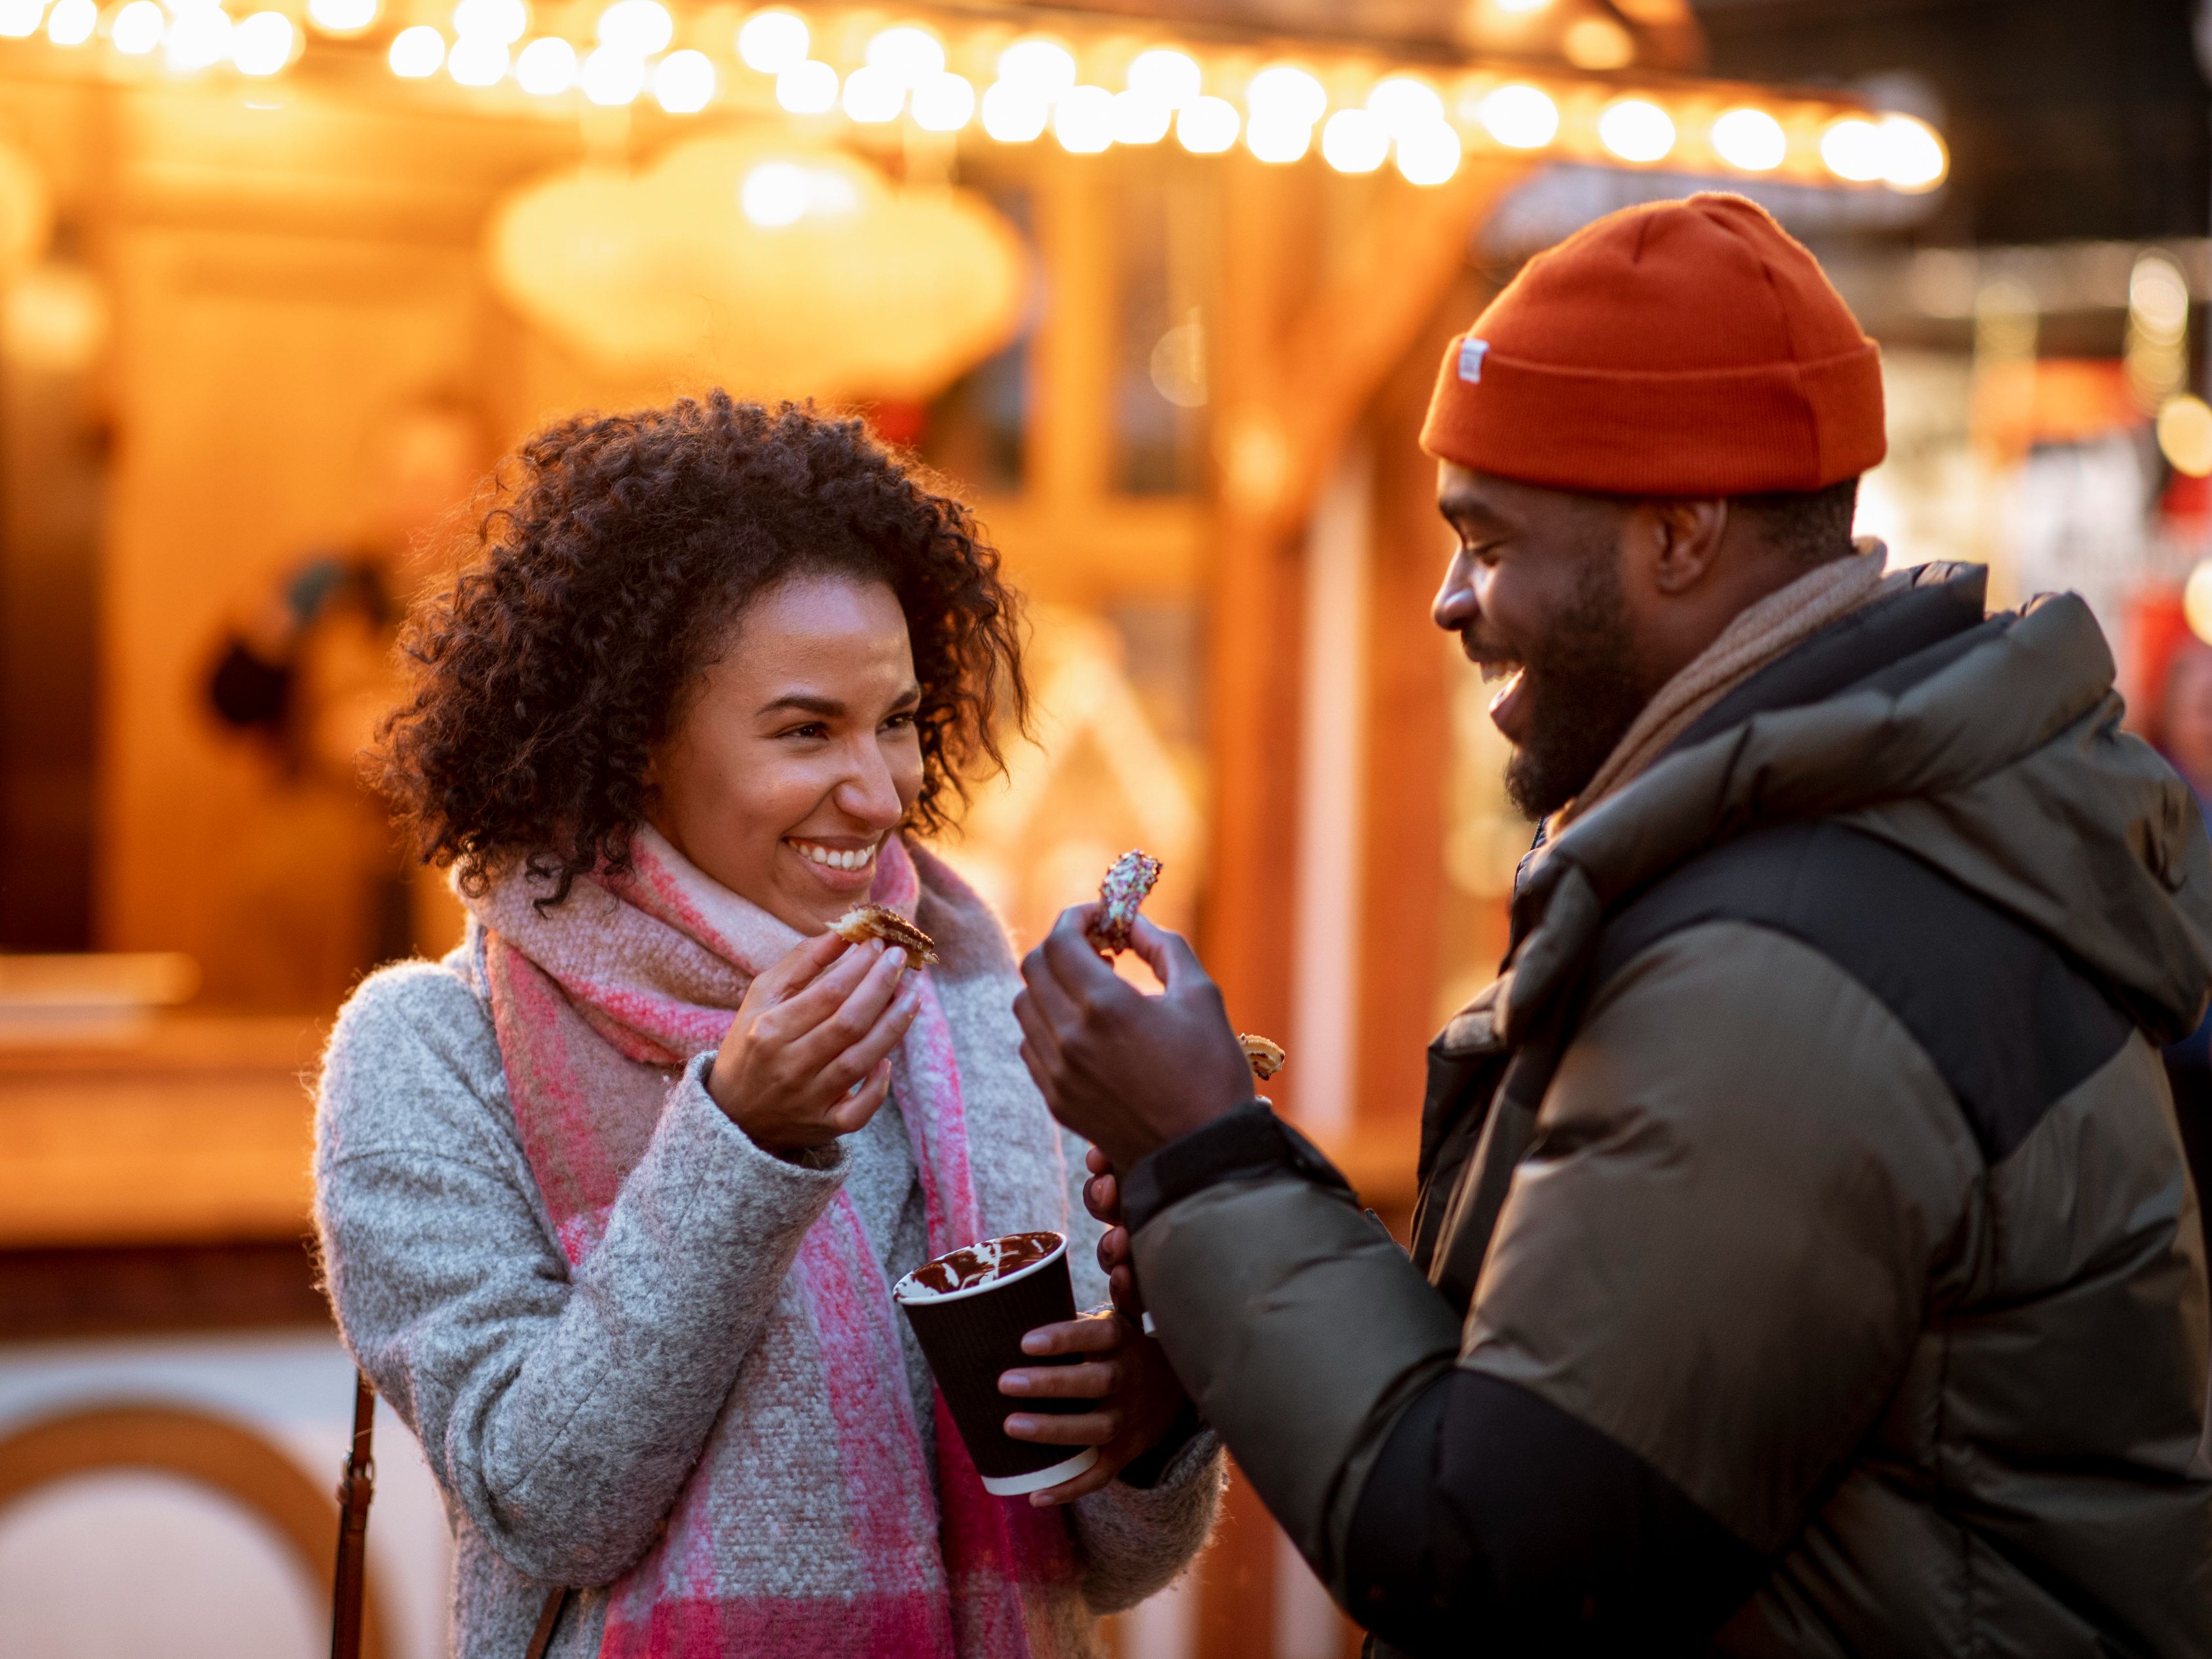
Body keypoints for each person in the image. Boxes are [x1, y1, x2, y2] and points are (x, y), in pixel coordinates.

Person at [1015, 195, 2212, 1655]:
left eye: (1490, 539)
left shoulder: (1789, 966)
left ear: (1680, 532)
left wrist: (1202, 1163)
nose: (1452, 601)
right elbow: (1572, 1405)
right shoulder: (1818, 871)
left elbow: (1500, 1563)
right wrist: (1233, 1223)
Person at [314, 396, 1219, 1659]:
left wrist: (1152, 1421)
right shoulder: (433, 1050)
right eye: (805, 729)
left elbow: (1113, 1568)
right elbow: (547, 1505)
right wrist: (738, 1138)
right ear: (635, 743)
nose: (879, 789)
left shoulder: (983, 1012)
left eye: (898, 719)